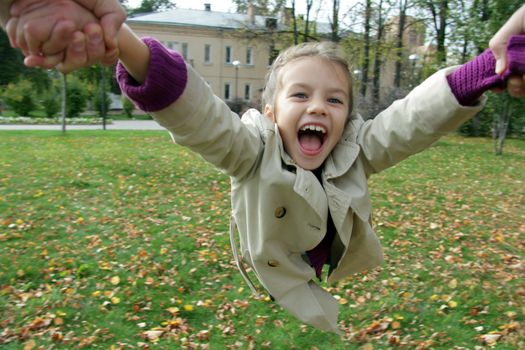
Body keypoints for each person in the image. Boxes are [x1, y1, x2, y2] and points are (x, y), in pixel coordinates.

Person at [3, 1, 525, 333]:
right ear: (272, 111)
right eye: (301, 95)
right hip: (277, 261)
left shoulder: (357, 147)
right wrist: (123, 42)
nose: (319, 107)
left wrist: (484, 70)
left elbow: (413, 119)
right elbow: (199, 116)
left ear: (348, 115)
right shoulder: (250, 148)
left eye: (335, 100)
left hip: (329, 252)